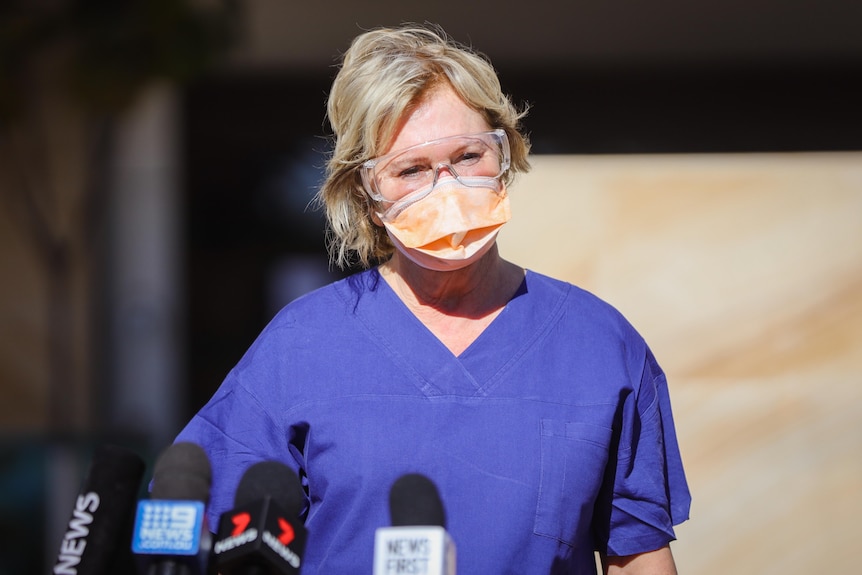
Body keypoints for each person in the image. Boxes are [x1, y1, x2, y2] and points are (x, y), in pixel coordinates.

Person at [174, 23, 691, 574]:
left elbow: (635, 553)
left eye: (469, 156)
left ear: (505, 158)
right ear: (366, 195)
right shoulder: (302, 347)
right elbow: (214, 529)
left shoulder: (597, 344)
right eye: (411, 169)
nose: (446, 187)